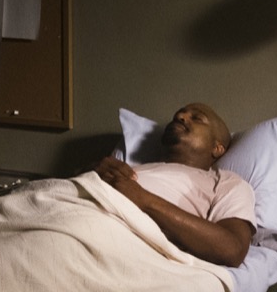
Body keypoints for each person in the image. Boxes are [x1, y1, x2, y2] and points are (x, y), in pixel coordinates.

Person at [94, 102, 255, 267]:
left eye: (197, 118)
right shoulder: (129, 167)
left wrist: (144, 199)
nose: (180, 117)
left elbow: (232, 250)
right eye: (179, 115)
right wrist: (92, 170)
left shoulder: (226, 182)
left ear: (217, 148)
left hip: (110, 236)